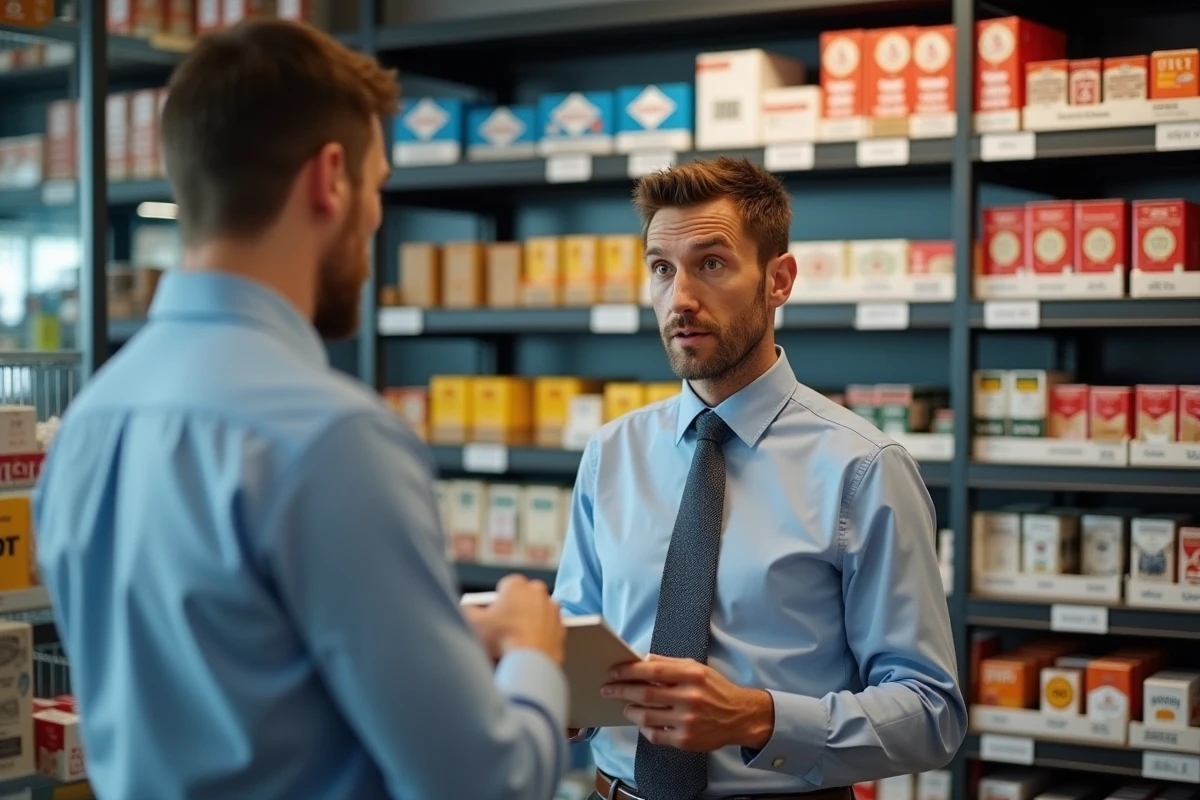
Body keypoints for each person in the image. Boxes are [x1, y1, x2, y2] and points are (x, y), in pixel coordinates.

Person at [33, 20, 569, 800]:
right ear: (330, 179)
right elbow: (487, 785)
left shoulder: (89, 421)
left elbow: (233, 678)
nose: (379, 217)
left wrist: (442, 643)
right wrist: (531, 654)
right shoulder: (332, 438)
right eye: (378, 185)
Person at [555, 157, 966, 800]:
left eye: (711, 264)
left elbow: (932, 714)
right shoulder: (613, 452)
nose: (680, 298)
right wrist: (554, 690)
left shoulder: (865, 469)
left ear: (779, 280)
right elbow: (573, 636)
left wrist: (758, 717)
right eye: (662, 268)